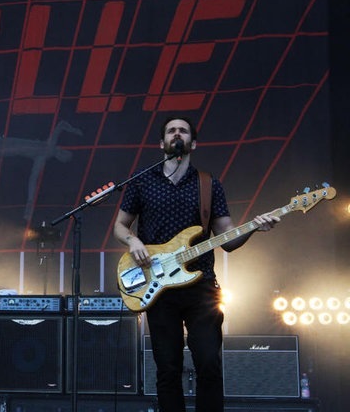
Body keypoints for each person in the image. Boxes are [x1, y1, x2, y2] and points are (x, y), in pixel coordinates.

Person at [113, 117, 280, 412]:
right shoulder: (142, 180)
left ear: (193, 142)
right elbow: (121, 226)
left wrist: (253, 226)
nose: (177, 133)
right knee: (167, 370)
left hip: (201, 286)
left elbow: (226, 239)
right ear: (161, 143)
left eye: (184, 130)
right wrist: (133, 242)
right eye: (171, 130)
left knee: (209, 364)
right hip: (159, 288)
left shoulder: (208, 183)